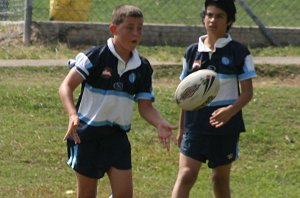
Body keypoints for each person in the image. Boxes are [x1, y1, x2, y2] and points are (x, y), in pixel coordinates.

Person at [59, 4, 173, 198]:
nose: (135, 33)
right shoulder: (96, 56)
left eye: (140, 28)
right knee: (87, 194)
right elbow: (66, 87)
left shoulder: (142, 67)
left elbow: (145, 107)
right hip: (86, 135)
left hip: (116, 137)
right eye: (129, 27)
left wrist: (159, 123)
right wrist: (72, 115)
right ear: (114, 29)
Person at [171, 0, 256, 198]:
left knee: (220, 179)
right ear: (203, 18)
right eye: (209, 15)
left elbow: (247, 93)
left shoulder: (239, 52)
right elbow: (185, 96)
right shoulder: (192, 52)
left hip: (225, 126)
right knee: (185, 175)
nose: (213, 20)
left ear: (229, 20)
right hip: (195, 125)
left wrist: (229, 111)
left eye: (219, 16)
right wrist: (182, 128)